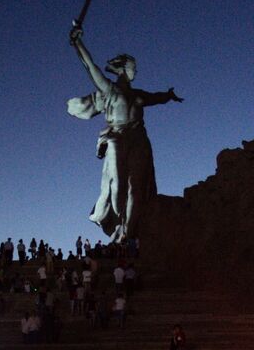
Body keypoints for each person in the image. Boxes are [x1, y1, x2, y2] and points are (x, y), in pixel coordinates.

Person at [66, 25, 182, 240]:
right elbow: (91, 67)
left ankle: (130, 233)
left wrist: (168, 95)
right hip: (118, 139)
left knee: (137, 187)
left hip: (139, 138)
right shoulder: (109, 89)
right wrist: (78, 43)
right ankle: (118, 227)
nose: (135, 71)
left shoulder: (138, 93)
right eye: (133, 67)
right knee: (117, 187)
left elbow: (155, 98)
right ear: (122, 69)